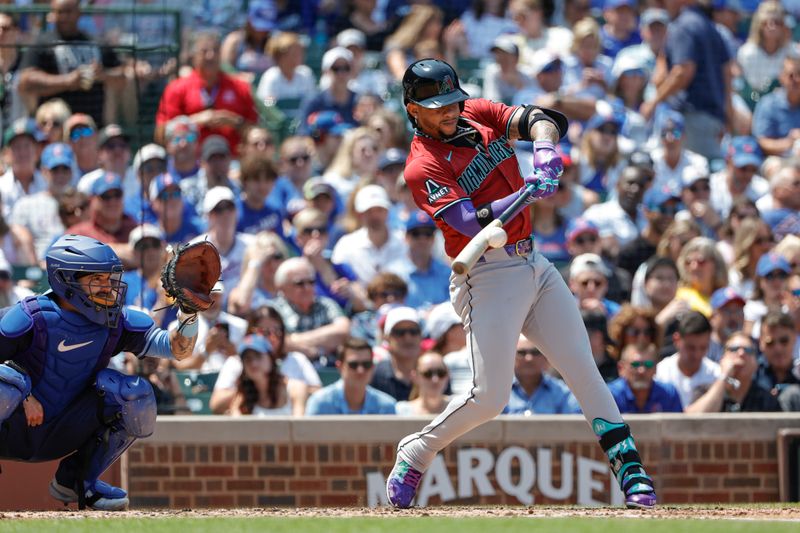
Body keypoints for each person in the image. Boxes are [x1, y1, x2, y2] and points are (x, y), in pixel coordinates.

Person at [386, 58, 656, 510]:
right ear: (414, 110)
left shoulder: (475, 110)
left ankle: (631, 471)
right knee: (490, 397)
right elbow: (469, 223)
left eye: (452, 100)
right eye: (437, 106)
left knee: (582, 368)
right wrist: (523, 192)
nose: (450, 111)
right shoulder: (422, 165)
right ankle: (416, 450)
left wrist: (545, 151)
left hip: (533, 260)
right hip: (486, 274)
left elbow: (539, 120)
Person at [0, 234, 199, 510]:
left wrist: (188, 313)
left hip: (62, 430)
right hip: (14, 427)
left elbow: (176, 349)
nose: (109, 288)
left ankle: (78, 481)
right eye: (98, 280)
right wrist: (24, 394)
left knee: (135, 395)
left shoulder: (116, 322)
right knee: (9, 382)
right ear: (66, 280)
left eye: (110, 279)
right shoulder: (29, 317)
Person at [641, 0, 732, 160]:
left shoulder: (683, 25)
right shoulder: (710, 27)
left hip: (692, 118)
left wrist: (654, 102)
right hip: (711, 117)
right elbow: (727, 74)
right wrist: (727, 116)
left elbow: (683, 71)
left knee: (697, 176)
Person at [18, 0, 124, 126]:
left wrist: (104, 75)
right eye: (59, 12)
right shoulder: (42, 43)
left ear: (79, 13)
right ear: (51, 15)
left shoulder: (96, 42)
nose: (63, 17)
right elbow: (26, 80)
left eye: (68, 12)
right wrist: (68, 81)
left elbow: (122, 74)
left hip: (92, 124)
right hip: (54, 125)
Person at [155, 31, 258, 154]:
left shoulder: (240, 87)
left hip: (232, 160)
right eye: (204, 51)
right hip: (190, 162)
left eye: (215, 51)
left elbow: (255, 130)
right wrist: (195, 121)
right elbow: (160, 134)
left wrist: (235, 121)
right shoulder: (177, 88)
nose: (211, 56)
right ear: (193, 56)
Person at [210, 304, 321, 414]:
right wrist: (252, 386)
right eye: (265, 332)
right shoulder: (236, 364)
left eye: (277, 331)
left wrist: (283, 386)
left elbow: (318, 395)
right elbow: (216, 404)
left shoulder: (297, 361)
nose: (272, 338)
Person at [270, 257, 350, 365]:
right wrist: (325, 343)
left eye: (311, 282)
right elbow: (276, 343)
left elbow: (343, 331)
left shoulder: (326, 304)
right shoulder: (273, 310)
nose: (307, 287)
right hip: (291, 370)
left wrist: (295, 340)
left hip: (330, 368)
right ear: (282, 287)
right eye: (299, 283)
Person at [687, 331, 781, 413]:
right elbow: (691, 422)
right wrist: (724, 377)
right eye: (734, 349)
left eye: (748, 350)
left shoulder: (766, 399)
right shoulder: (704, 391)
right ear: (722, 359)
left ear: (756, 363)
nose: (741, 353)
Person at [331, 185, 408, 284]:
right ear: (359, 215)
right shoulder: (346, 245)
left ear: (387, 211)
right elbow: (339, 279)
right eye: (369, 211)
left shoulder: (404, 241)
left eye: (379, 210)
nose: (375, 216)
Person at [10, 142, 73, 261]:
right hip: (39, 271)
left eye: (65, 169)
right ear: (44, 171)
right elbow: (16, 245)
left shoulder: (83, 204)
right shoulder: (26, 204)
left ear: (71, 172)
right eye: (55, 170)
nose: (60, 175)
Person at [305, 337, 397, 415]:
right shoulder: (320, 402)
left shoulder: (387, 406)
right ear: (340, 367)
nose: (360, 370)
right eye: (353, 365)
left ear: (372, 367)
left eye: (366, 365)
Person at [229, 334, 307, 417]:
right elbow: (237, 427)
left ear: (271, 358)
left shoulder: (295, 388)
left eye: (258, 356)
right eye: (248, 359)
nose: (253, 363)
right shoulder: (241, 397)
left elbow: (298, 426)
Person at [655, 311, 720, 410]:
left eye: (703, 347)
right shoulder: (661, 373)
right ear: (677, 340)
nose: (697, 354)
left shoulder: (716, 374)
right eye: (690, 347)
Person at [504, 335, 579, 415]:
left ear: (546, 357)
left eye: (535, 352)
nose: (529, 358)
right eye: (522, 352)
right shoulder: (498, 391)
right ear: (511, 356)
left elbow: (576, 424)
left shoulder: (563, 393)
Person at [397, 210, 451, 310]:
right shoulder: (395, 273)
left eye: (428, 234)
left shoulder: (447, 273)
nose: (422, 239)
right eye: (416, 234)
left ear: (434, 238)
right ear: (406, 237)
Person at [608, 344, 683, 413]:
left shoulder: (669, 394)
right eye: (635, 364)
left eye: (648, 364)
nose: (642, 371)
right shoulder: (610, 395)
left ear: (656, 368)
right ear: (621, 368)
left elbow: (679, 426)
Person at [370, 306, 422, 403]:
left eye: (413, 331)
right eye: (400, 332)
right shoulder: (375, 374)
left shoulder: (435, 372)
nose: (408, 338)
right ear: (386, 338)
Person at [752, 52, 800, 156]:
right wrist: (789, 142)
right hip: (777, 159)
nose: (797, 80)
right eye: (791, 75)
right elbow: (762, 142)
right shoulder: (768, 104)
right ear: (782, 77)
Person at [395, 351, 451, 416]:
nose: (435, 379)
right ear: (415, 377)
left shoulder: (458, 407)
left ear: (448, 376)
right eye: (428, 374)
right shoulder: (402, 410)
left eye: (441, 373)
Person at [708, 287, 747, 363]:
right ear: (713, 317)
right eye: (727, 311)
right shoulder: (702, 348)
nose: (734, 316)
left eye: (738, 311)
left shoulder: (752, 347)